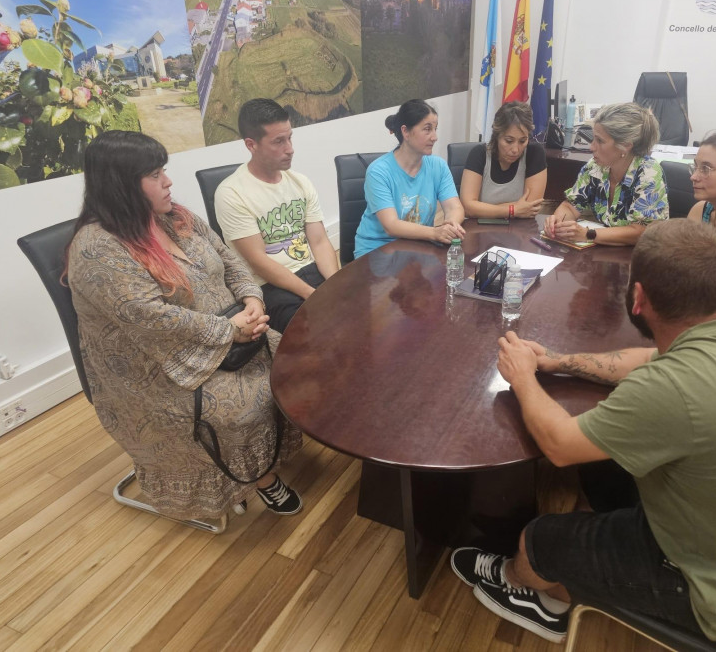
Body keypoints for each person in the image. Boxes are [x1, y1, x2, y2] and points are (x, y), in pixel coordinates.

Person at [451, 219, 716, 645]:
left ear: (638, 298)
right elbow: (646, 358)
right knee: (604, 466)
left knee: (537, 539)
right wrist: (558, 361)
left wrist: (523, 378)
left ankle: (524, 589)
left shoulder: (674, 388)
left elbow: (559, 446)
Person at [67, 131, 304, 520]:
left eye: (165, 170)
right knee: (240, 409)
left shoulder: (177, 217)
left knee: (298, 364)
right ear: (120, 185)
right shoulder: (97, 247)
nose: (168, 181)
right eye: (154, 174)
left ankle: (261, 460)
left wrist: (252, 300)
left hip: (229, 331)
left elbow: (229, 260)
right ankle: (259, 477)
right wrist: (231, 330)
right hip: (162, 365)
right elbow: (152, 317)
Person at [214, 98, 338, 333]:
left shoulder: (301, 182)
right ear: (251, 144)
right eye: (278, 141)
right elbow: (258, 262)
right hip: (268, 285)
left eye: (290, 137)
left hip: (310, 268)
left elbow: (319, 241)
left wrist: (334, 287)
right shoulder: (231, 193)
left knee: (354, 308)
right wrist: (313, 295)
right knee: (318, 330)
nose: (290, 148)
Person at [354, 99, 465, 258]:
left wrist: (451, 225)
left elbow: (455, 208)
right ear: (405, 132)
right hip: (378, 250)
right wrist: (435, 233)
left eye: (435, 129)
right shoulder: (378, 172)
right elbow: (391, 226)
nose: (435, 137)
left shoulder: (438, 166)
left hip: (418, 246)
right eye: (427, 129)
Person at [544, 102, 667, 246]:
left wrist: (589, 234)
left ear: (626, 145)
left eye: (600, 141)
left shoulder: (648, 173)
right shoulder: (595, 167)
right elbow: (571, 206)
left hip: (639, 258)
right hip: (604, 254)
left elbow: (642, 231)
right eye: (593, 138)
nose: (591, 147)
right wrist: (558, 223)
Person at [459, 101, 547, 219]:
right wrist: (513, 210)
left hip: (520, 231)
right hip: (481, 230)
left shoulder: (534, 153)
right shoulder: (479, 154)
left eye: (522, 141)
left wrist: (483, 208)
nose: (515, 149)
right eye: (509, 141)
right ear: (497, 136)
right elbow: (468, 208)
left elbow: (530, 208)